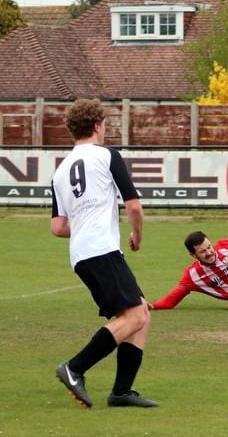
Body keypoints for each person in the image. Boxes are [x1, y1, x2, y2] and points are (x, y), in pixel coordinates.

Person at [50, 98, 157, 408]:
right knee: (135, 316)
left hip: (82, 254)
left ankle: (122, 392)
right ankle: (74, 368)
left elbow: (58, 227)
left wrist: (84, 224)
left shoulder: (59, 173)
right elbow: (134, 205)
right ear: (97, 125)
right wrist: (136, 234)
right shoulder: (106, 156)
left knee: (140, 314)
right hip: (102, 249)